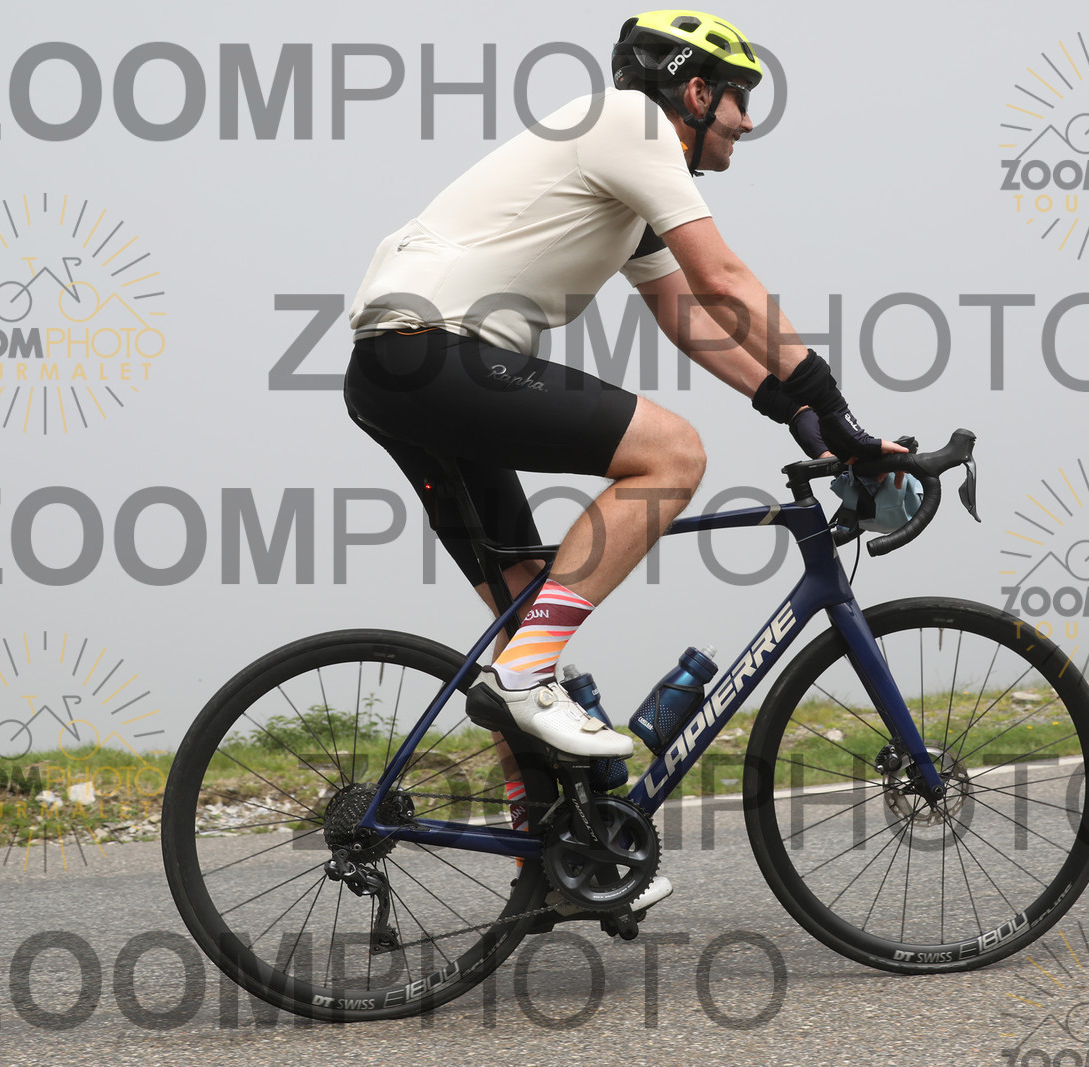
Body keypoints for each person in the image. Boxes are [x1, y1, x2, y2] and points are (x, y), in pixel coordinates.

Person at [343, 10, 904, 905]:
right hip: (434, 351)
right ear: (695, 91)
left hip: (397, 372)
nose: (747, 122)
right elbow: (723, 280)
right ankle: (526, 677)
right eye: (739, 100)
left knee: (526, 606)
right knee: (672, 453)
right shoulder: (633, 124)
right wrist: (840, 411)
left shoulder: (625, 169)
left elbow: (687, 316)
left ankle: (552, 862)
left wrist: (795, 412)